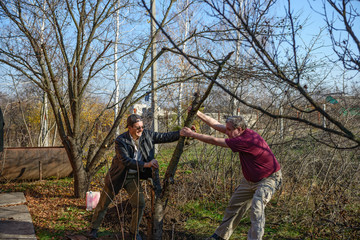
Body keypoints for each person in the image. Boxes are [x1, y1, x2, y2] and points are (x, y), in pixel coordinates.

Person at [180, 110, 282, 240]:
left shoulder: (246, 140)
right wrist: (197, 113)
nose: (226, 132)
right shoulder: (239, 132)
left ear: (239, 129)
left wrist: (192, 134)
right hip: (250, 180)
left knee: (257, 209)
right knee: (233, 206)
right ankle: (220, 236)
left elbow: (214, 140)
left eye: (228, 130)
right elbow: (216, 125)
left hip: (269, 179)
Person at [90, 114, 184, 240]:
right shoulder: (121, 140)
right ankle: (93, 229)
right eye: (137, 127)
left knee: (140, 203)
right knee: (103, 205)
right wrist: (147, 164)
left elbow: (164, 136)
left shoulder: (147, 135)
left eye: (142, 127)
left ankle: (134, 232)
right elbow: (125, 161)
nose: (141, 130)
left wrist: (182, 132)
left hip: (133, 178)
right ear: (129, 127)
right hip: (117, 177)